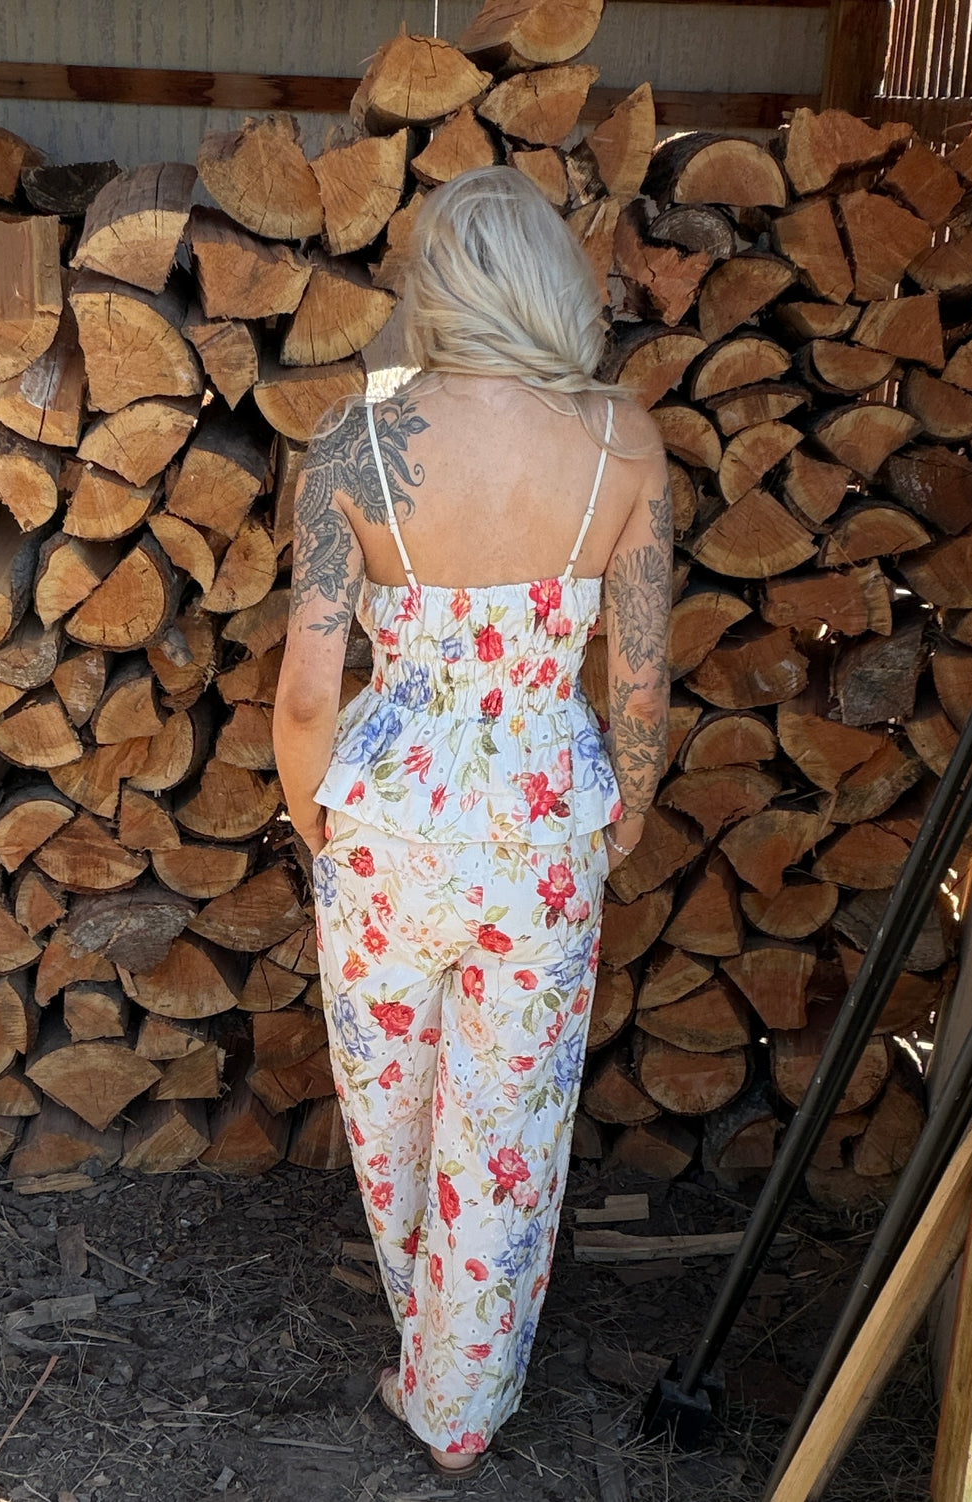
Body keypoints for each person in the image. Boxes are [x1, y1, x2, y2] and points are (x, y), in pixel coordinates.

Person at [273, 165, 671, 1479]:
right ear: (552, 282)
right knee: (505, 1135)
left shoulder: (356, 440)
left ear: (431, 290)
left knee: (390, 1116)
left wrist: (319, 831)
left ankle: (431, 1358)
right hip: (543, 830)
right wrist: (625, 824)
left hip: (387, 825)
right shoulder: (623, 440)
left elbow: (306, 691)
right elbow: (641, 683)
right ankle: (459, 1394)